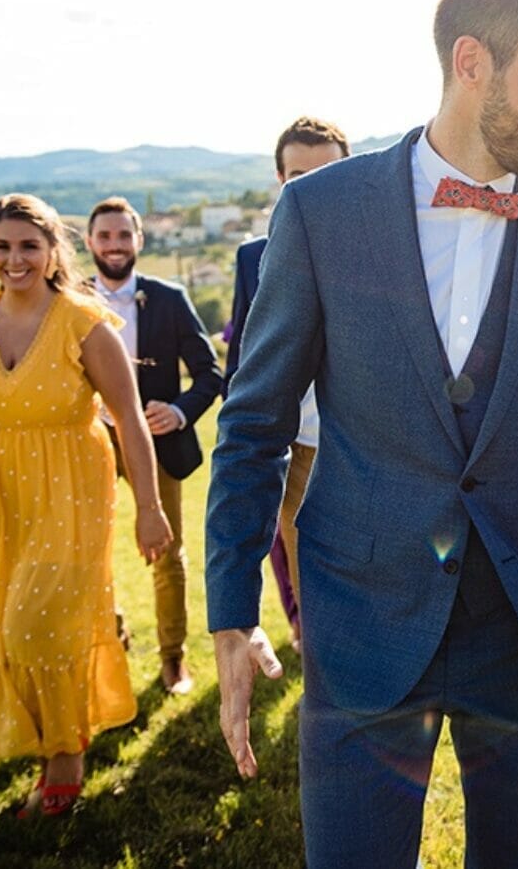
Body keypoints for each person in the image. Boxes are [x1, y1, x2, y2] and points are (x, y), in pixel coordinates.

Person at [206, 0, 518, 869]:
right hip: (364, 617)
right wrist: (232, 606)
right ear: (472, 62)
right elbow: (255, 421)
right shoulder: (320, 212)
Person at [0, 193, 172, 818]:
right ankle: (49, 743)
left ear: (52, 251)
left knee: (33, 628)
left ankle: (65, 757)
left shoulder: (83, 323)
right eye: (3, 247)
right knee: (8, 632)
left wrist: (149, 507)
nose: (16, 260)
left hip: (71, 494)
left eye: (29, 246)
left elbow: (129, 422)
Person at [86, 196, 223, 695]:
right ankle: (109, 637)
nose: (115, 246)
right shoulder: (72, 299)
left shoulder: (169, 297)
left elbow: (211, 372)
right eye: (105, 236)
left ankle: (173, 658)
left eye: (124, 236)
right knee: (86, 551)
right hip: (89, 444)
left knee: (167, 551)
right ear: (89, 242)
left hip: (157, 442)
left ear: (139, 241)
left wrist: (181, 410)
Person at [226, 117, 351, 652]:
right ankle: (324, 670)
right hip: (297, 441)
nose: (314, 189)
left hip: (369, 438)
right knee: (304, 564)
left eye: (328, 174)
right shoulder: (253, 258)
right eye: (300, 177)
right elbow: (243, 361)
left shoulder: (387, 249)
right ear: (280, 180)